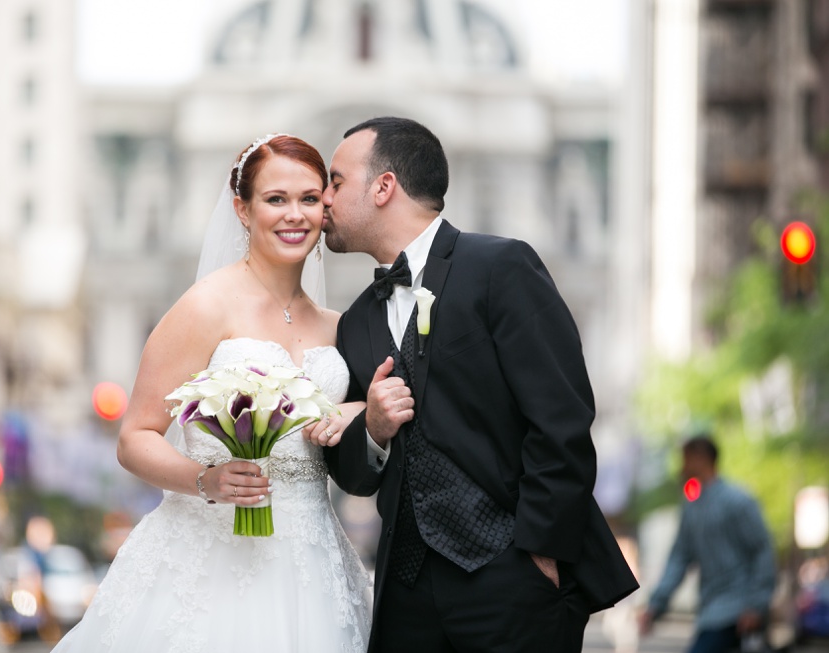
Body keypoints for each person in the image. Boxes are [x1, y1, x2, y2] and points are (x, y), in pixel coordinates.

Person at [320, 116, 639, 652]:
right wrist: (372, 430)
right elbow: (352, 475)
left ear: (383, 187)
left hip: (512, 578)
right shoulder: (356, 323)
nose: (322, 200)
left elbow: (561, 417)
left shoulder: (500, 266)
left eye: (335, 181)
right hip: (405, 594)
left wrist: (541, 555)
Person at [51, 134, 372, 652]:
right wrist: (205, 479)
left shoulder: (339, 326)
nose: (295, 215)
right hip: (209, 555)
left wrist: (355, 410)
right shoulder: (204, 308)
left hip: (312, 560)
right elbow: (135, 436)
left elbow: (356, 421)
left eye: (309, 199)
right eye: (276, 199)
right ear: (242, 210)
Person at [639, 435, 776, 653]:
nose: (681, 467)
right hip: (711, 612)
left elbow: (762, 552)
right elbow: (679, 558)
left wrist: (756, 606)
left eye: (685, 459)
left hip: (738, 612)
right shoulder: (692, 508)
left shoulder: (739, 501)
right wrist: (656, 605)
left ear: (700, 458)